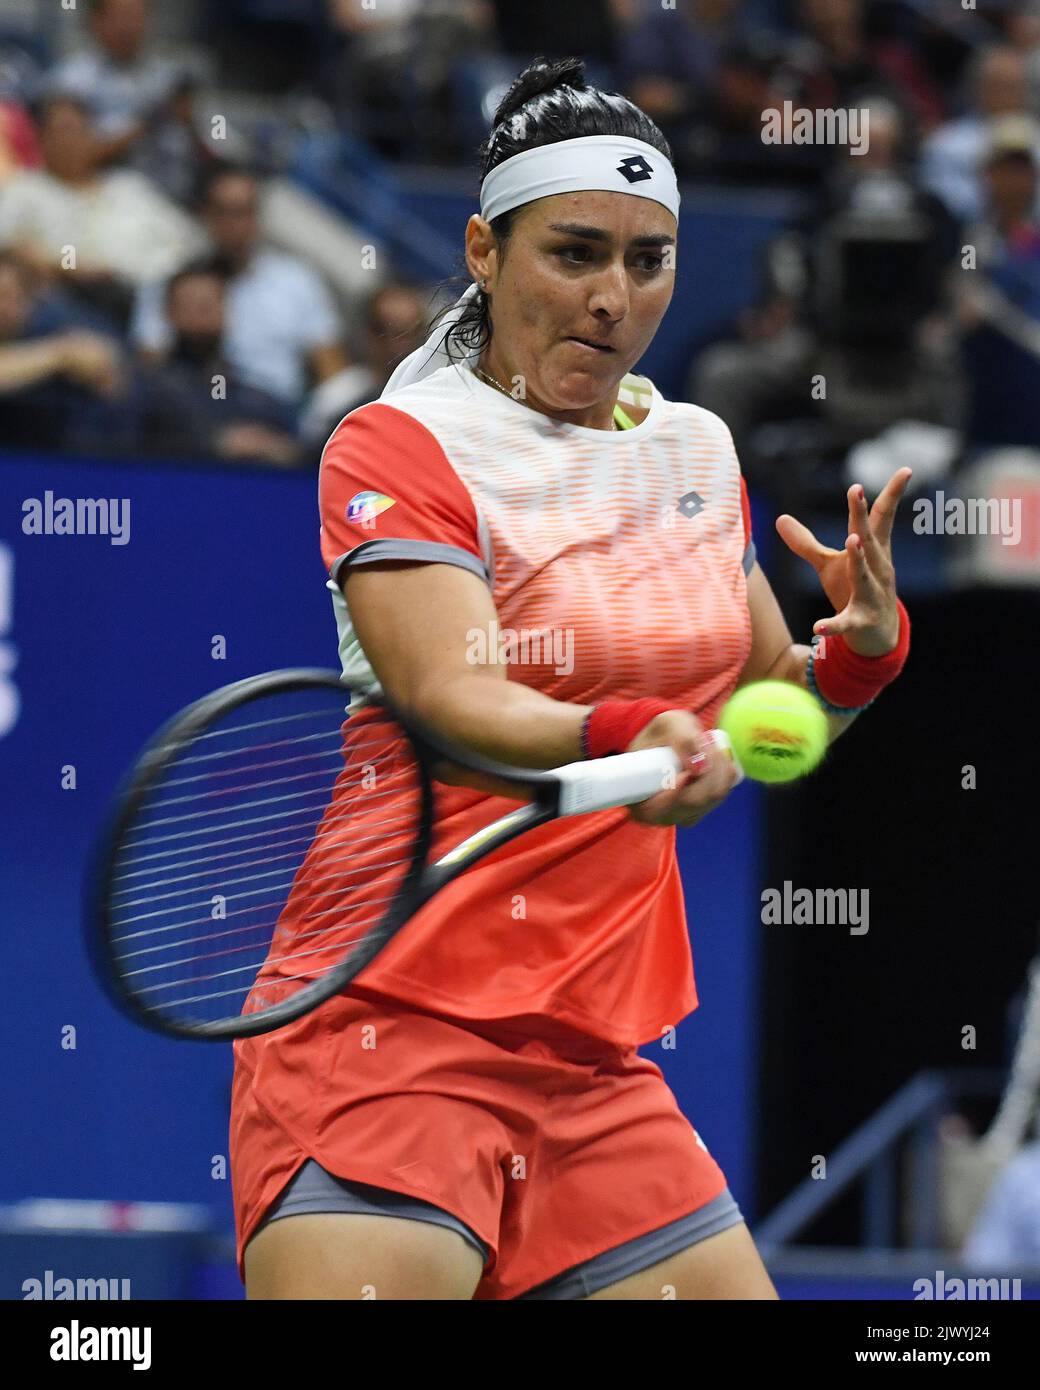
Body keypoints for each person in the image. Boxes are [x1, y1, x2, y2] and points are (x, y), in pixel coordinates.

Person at [232, 56, 913, 1301]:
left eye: (644, 262)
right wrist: (631, 731)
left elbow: (772, 713)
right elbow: (455, 696)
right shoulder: (400, 442)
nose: (612, 298)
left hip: (590, 1059)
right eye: (575, 253)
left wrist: (857, 659)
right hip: (390, 1019)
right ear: (484, 253)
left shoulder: (693, 448)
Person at [131, 165, 347, 406]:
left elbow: (332, 375)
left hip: (278, 419)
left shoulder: (297, 282)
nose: (235, 225)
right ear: (204, 214)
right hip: (192, 411)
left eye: (244, 212)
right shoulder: (168, 282)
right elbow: (150, 367)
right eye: (224, 212)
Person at [0, 95, 206, 330]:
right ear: (42, 139)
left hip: (161, 297)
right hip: (80, 302)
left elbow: (193, 241)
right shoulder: (24, 189)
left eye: (79, 130)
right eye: (62, 130)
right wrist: (65, 267)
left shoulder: (129, 186)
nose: (71, 140)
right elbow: (5, 245)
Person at [135, 263, 301, 466]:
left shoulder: (242, 391)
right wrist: (216, 443)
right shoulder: (148, 388)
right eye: (191, 304)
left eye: (209, 304)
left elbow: (292, 446)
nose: (202, 313)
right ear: (169, 312)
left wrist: (277, 447)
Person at [298, 279, 431, 447]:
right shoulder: (337, 397)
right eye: (383, 330)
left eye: (408, 332)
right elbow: (309, 458)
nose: (397, 345)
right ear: (365, 332)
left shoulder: (437, 397)